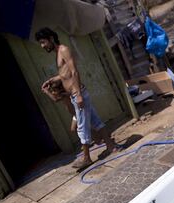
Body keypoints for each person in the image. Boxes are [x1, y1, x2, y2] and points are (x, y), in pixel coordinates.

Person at [35, 27, 116, 170]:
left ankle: (86, 158)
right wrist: (54, 79)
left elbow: (74, 71)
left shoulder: (63, 50)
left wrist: (78, 94)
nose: (42, 46)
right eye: (40, 44)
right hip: (75, 95)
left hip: (78, 94)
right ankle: (111, 147)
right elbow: (65, 74)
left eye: (43, 42)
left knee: (82, 128)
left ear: (51, 38)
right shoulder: (57, 53)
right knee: (96, 122)